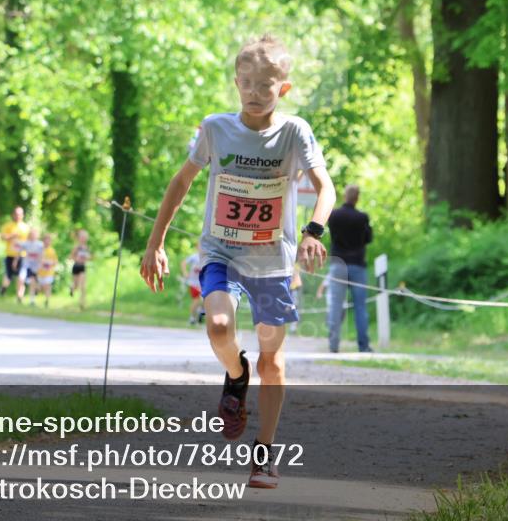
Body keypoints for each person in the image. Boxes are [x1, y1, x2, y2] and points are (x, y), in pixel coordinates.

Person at [140, 34, 335, 490]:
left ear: (282, 89)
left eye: (264, 84)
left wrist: (313, 232)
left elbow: (325, 188)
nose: (253, 91)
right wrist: (156, 242)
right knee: (220, 329)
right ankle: (234, 373)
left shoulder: (294, 132)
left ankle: (264, 454)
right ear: (235, 82)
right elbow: (181, 181)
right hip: (221, 252)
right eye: (245, 82)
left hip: (272, 261)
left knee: (274, 359)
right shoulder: (215, 128)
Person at [325, 184, 374, 353]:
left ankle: (333, 345)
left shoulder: (334, 215)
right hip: (358, 265)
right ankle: (363, 345)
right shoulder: (362, 218)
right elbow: (368, 238)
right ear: (357, 197)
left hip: (338, 264)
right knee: (360, 307)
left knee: (335, 305)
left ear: (345, 196)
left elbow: (331, 235)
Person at [0, 206, 30, 300]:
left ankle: (20, 296)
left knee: (21, 276)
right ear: (13, 215)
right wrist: (12, 236)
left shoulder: (25, 227)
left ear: (23, 215)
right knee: (8, 275)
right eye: (16, 214)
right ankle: (3, 289)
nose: (17, 216)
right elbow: (3, 237)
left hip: (22, 256)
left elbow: (29, 242)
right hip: (10, 254)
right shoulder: (8, 226)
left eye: (19, 214)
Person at [18, 228, 44, 306]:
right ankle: (19, 296)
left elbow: (42, 256)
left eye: (34, 235)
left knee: (33, 283)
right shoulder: (26, 243)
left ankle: (32, 300)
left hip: (35, 267)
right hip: (26, 265)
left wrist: (40, 265)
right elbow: (19, 249)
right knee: (21, 279)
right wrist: (16, 260)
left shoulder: (40, 244)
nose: (33, 236)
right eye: (31, 234)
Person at [69, 229, 92, 310]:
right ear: (79, 238)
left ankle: (82, 303)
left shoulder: (87, 247)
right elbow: (71, 257)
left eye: (85, 237)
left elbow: (90, 257)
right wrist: (77, 259)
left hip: (82, 267)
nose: (84, 239)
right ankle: (71, 288)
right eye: (82, 237)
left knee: (83, 286)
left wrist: (87, 258)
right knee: (76, 286)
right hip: (76, 267)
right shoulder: (77, 247)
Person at [181, 243, 203, 325]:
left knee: (204, 300)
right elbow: (183, 263)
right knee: (196, 299)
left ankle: (200, 314)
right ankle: (192, 318)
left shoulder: (207, 257)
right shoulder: (194, 257)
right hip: (194, 282)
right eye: (200, 246)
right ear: (197, 247)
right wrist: (185, 272)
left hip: (203, 283)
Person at [36, 233, 59, 308]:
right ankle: (38, 292)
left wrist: (51, 263)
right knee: (41, 287)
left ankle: (47, 300)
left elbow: (55, 261)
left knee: (47, 286)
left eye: (49, 241)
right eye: (46, 240)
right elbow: (38, 259)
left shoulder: (52, 251)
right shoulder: (40, 250)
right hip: (41, 272)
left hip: (49, 272)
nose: (47, 242)